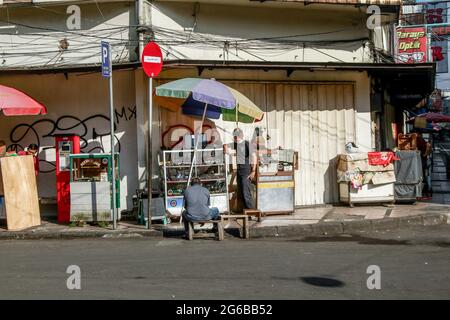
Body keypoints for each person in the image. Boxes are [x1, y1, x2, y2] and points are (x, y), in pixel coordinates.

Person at [224, 128, 257, 210]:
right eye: (235, 136)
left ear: (241, 135)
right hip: (239, 171)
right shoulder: (236, 144)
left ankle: (251, 212)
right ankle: (244, 211)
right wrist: (227, 150)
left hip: (246, 171)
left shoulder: (247, 144)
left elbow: (254, 157)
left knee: (246, 192)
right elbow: (225, 145)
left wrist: (253, 171)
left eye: (238, 135)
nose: (236, 137)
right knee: (241, 192)